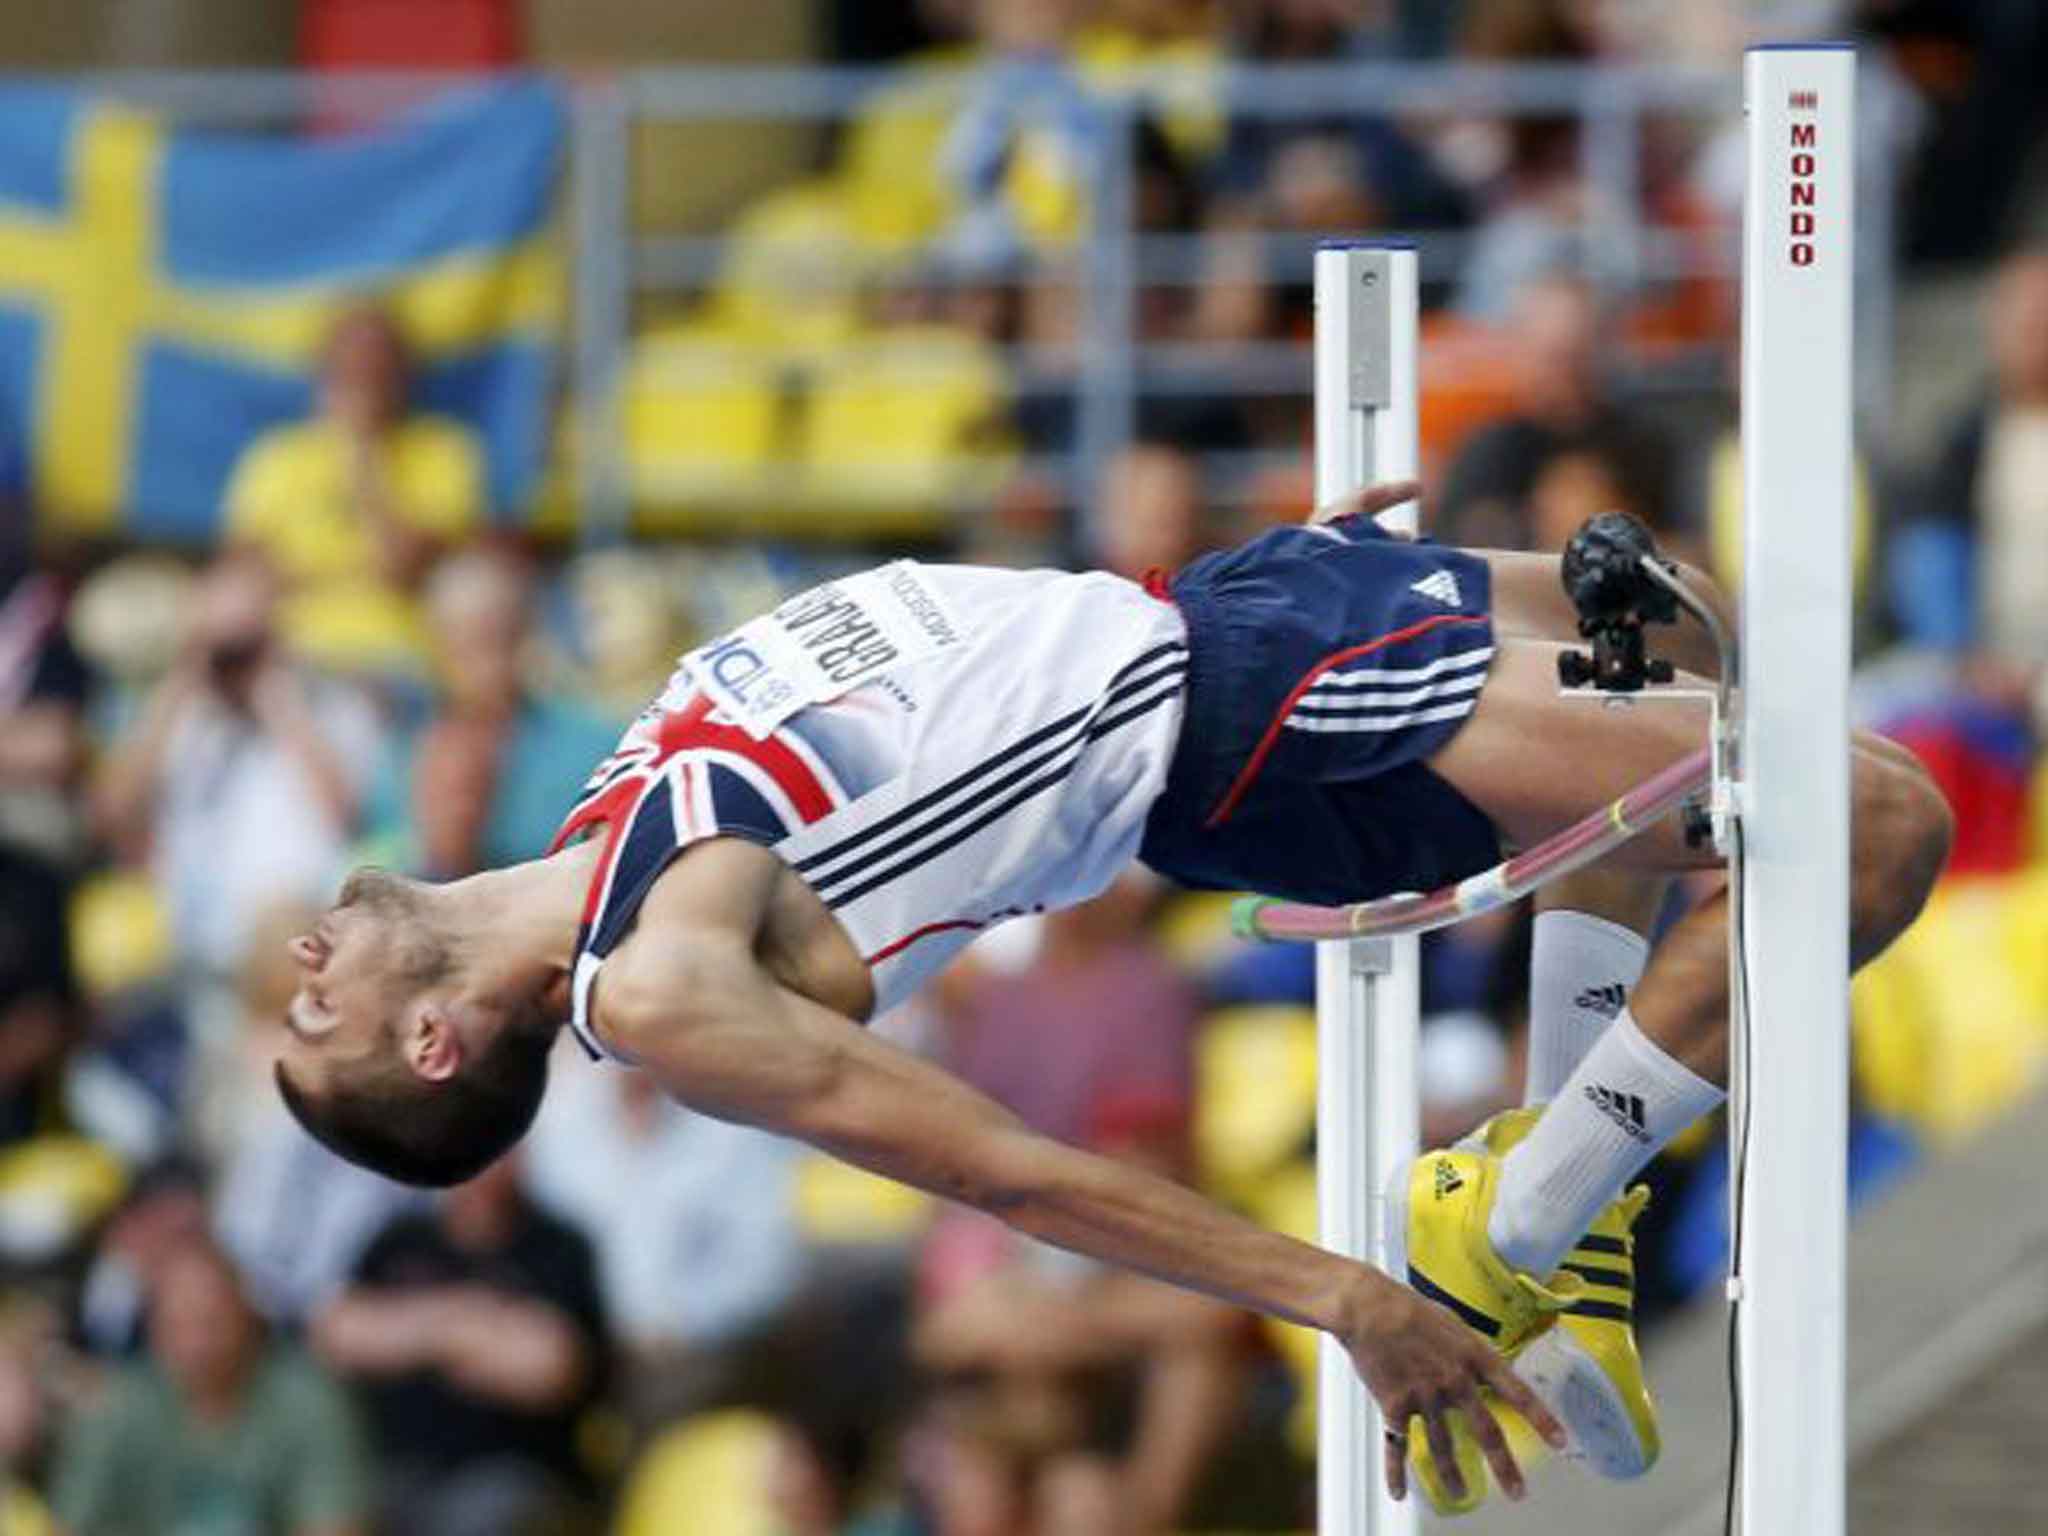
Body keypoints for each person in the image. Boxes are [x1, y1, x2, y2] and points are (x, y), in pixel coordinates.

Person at [272, 483, 1951, 1511]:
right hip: (1240, 722)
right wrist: (1336, 1299)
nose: (300, 966)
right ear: (434, 1042)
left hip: (1221, 612)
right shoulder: (653, 980)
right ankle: (1515, 1218)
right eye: (316, 1019)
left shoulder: (594, 818)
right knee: (1869, 819)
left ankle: (1557, 1239)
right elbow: (1005, 1171)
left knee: (1676, 641)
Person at [310, 1153, 605, 1536]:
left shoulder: (559, 1247)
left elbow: (549, 1369)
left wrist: (406, 1330)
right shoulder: (400, 1239)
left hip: (510, 1472)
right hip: (391, 1465)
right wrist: (465, 1324)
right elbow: (338, 1335)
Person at [223, 305, 486, 676]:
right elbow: (245, 573)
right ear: (323, 375)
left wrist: (363, 462)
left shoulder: (442, 451)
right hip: (288, 656)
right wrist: (353, 574)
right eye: (349, 369)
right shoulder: (277, 456)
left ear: (403, 378)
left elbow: (405, 571)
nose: (364, 381)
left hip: (396, 656)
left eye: (377, 370)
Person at [51, 1236, 373, 1536]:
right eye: (179, 1324)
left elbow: (334, 1524)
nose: (197, 1343)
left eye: (211, 1322)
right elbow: (71, 1523)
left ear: (248, 1317)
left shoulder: (306, 1402)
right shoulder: (117, 1405)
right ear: (153, 1330)